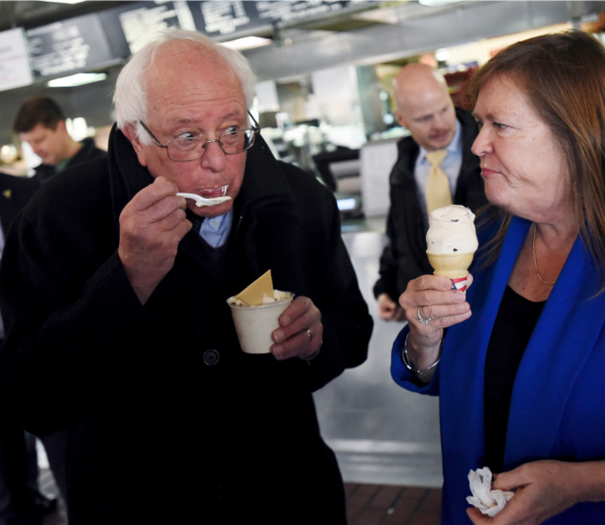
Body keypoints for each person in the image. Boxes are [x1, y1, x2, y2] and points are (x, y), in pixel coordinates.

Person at [0, 30, 372, 524]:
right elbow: (33, 398)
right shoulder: (58, 217)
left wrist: (316, 341)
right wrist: (128, 279)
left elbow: (352, 327)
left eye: (233, 129)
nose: (217, 158)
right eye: (187, 137)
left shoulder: (299, 200)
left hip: (288, 494)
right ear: (136, 138)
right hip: (138, 503)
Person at [391, 30, 605, 525]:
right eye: (478, 123)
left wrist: (582, 485)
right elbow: (455, 379)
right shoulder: (485, 238)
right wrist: (423, 343)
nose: (478, 146)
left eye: (501, 126)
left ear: (578, 136)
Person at [373, 63, 487, 322]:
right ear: (401, 119)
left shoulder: (486, 149)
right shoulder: (402, 169)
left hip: (484, 304)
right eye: (424, 118)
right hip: (428, 313)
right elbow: (398, 236)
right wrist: (386, 290)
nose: (439, 124)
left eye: (444, 109)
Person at [0, 172, 56, 525]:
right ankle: (9, 507)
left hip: (21, 331)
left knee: (32, 419)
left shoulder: (20, 189)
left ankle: (30, 494)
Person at [13, 97, 106, 185]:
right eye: (28, 143)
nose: (34, 150)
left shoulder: (104, 166)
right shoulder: (38, 181)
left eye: (39, 140)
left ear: (61, 127)